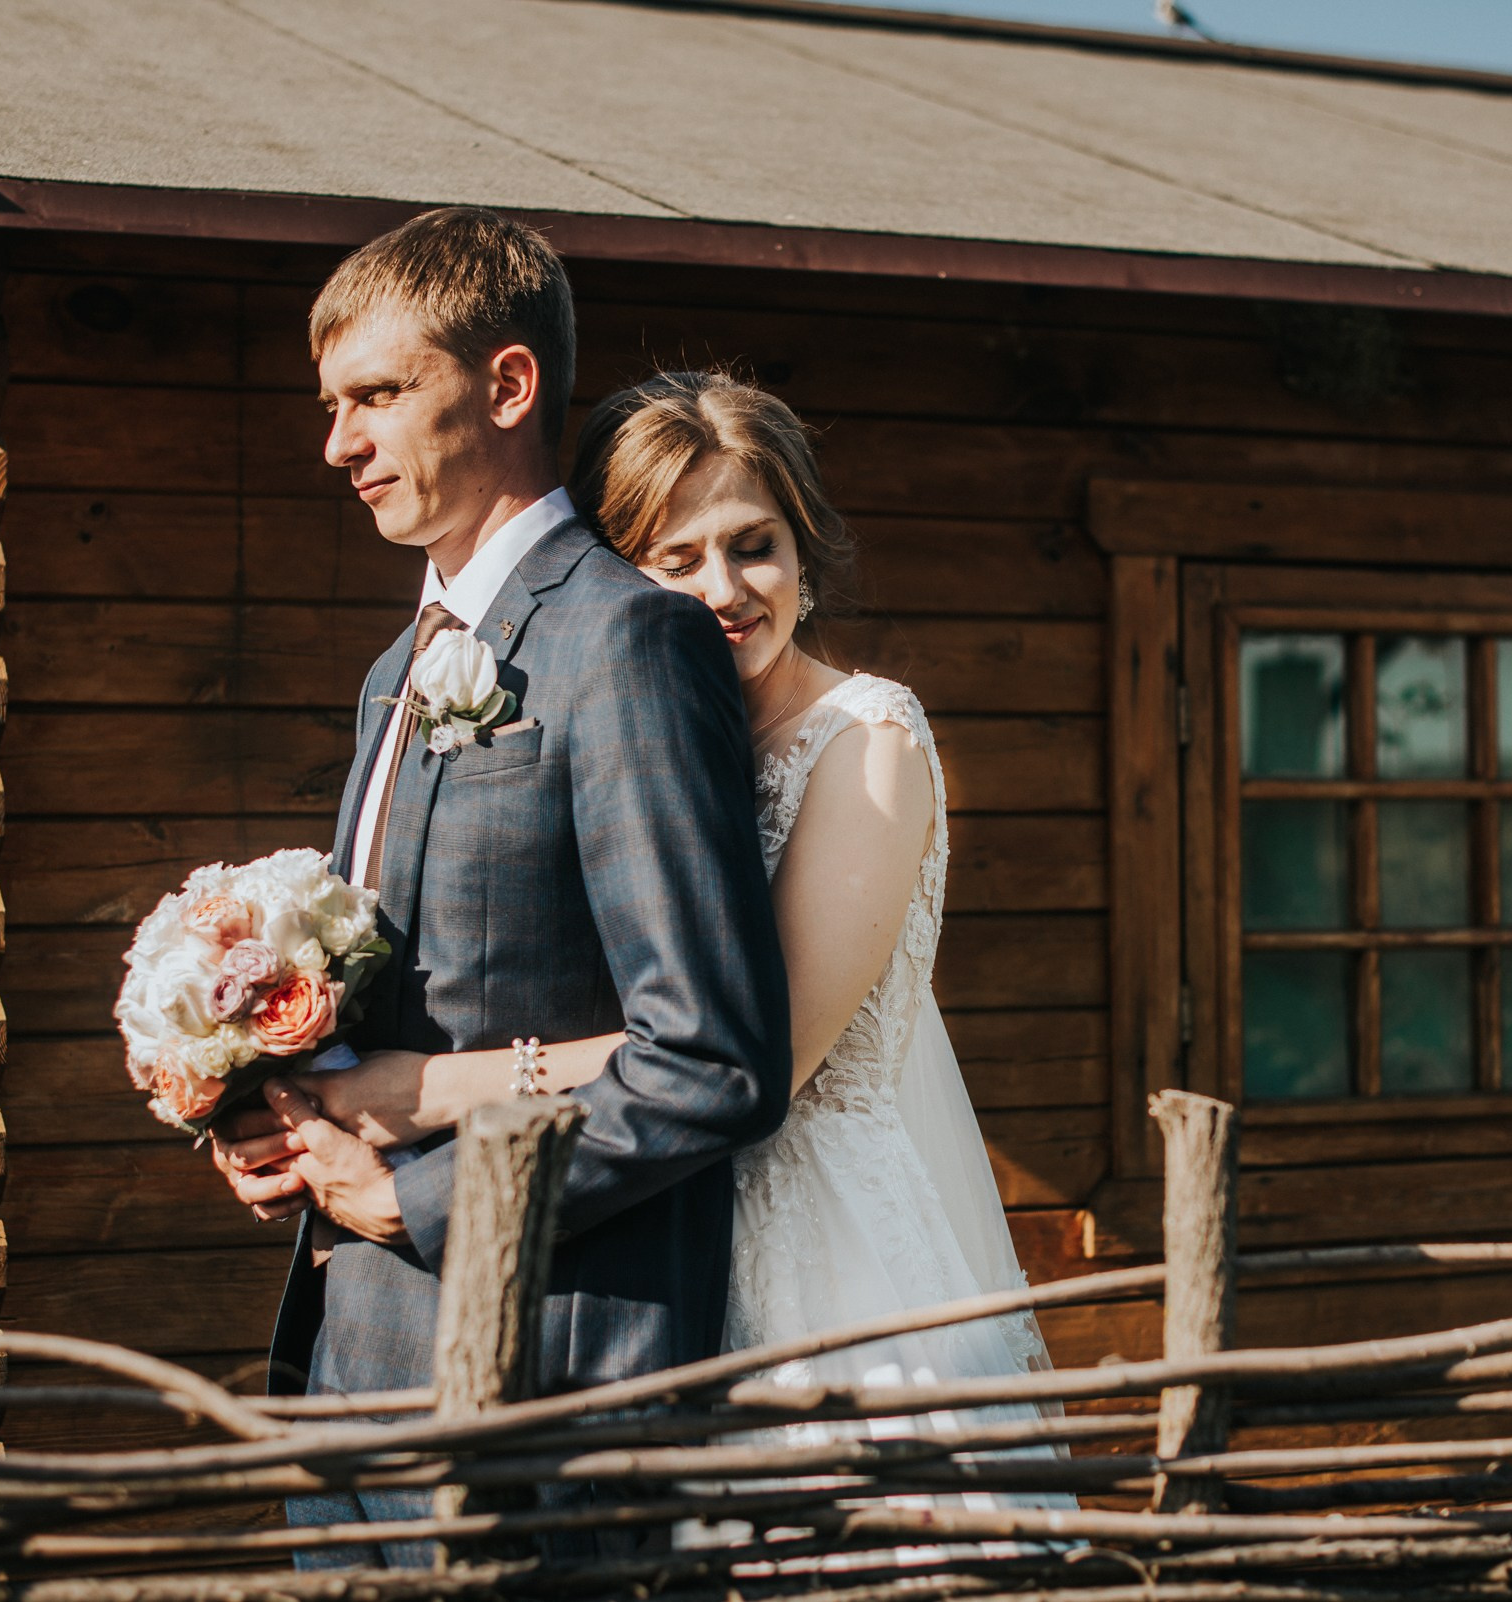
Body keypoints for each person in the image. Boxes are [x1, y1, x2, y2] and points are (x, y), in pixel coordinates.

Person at [232, 369, 1067, 1530]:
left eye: (755, 546)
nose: (724, 590)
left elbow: (754, 1060)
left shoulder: (866, 746)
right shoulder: (640, 733)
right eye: (678, 559)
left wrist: (420, 1094)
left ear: (807, 551)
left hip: (812, 1253)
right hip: (635, 1236)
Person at [212, 212, 792, 1567]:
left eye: (377, 397)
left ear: (509, 385)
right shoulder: (395, 672)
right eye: (332, 405)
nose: (337, 444)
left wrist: (412, 1200)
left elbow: (708, 1059)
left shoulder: (628, 639)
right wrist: (276, 1123)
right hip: (360, 1357)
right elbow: (409, 1004)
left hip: (537, 1384)